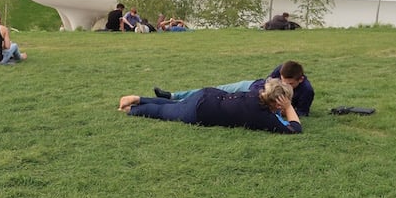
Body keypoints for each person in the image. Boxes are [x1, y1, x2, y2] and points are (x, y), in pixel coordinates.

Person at [119, 78, 301, 134]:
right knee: (164, 111)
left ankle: (138, 98)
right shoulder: (263, 116)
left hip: (208, 94)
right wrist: (288, 107)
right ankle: (132, 108)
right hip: (201, 110)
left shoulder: (256, 92)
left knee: (175, 104)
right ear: (278, 102)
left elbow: (262, 82)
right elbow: (295, 130)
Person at [154, 60, 314, 116]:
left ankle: (179, 103)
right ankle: (173, 96)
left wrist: (284, 109)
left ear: (300, 79)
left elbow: (302, 112)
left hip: (255, 101)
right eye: (282, 80)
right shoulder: (282, 69)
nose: (284, 85)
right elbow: (268, 81)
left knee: (212, 100)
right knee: (213, 90)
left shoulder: (307, 90)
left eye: (290, 84)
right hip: (251, 87)